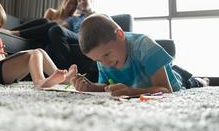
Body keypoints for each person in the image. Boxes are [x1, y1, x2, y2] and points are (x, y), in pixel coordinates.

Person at [70, 14, 209, 96]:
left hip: (174, 83)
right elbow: (106, 85)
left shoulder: (144, 45)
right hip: (141, 82)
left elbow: (166, 90)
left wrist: (131, 92)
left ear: (120, 35)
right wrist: (91, 87)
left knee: (190, 82)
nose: (105, 63)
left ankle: (201, 80)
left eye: (107, 54)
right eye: (98, 60)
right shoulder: (103, 59)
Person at [47, 0, 94, 70]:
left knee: (55, 30)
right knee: (51, 41)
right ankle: (64, 73)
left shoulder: (98, 16)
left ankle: (70, 71)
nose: (82, 2)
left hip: (88, 38)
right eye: (79, 1)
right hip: (76, 37)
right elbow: (61, 27)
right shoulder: (74, 18)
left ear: (90, 0)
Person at [6, 0, 78, 44]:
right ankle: (12, 31)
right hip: (38, 34)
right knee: (45, 21)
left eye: (71, 2)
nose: (67, 3)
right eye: (66, 0)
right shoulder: (51, 12)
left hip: (50, 40)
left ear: (74, 7)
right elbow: (42, 27)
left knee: (54, 25)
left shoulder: (71, 21)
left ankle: (16, 33)